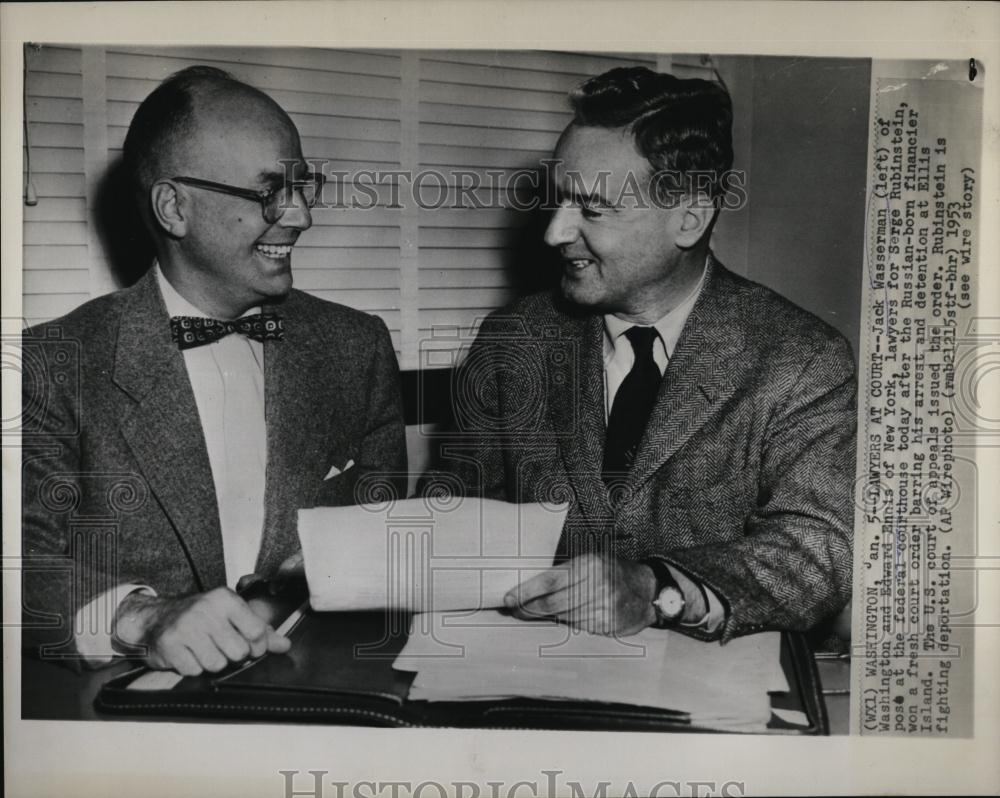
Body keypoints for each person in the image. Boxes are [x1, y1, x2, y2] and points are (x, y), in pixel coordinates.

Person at [433, 67, 856, 642]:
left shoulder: (802, 359)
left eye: (592, 209)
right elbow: (454, 513)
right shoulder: (512, 339)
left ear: (689, 218)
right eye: (558, 202)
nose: (555, 233)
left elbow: (816, 547)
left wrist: (656, 588)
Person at [21, 66, 407, 675]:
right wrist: (142, 619)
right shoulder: (51, 364)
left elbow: (382, 540)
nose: (301, 215)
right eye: (269, 193)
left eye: (303, 187)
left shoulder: (357, 347)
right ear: (174, 208)